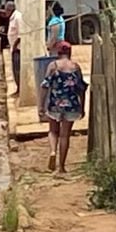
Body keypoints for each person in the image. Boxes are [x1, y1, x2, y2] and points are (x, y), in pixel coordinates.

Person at [38, 41, 87, 174]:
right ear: (70, 52)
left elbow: (44, 86)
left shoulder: (53, 66)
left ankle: (53, 151)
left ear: (58, 53)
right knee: (65, 136)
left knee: (53, 131)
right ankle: (62, 167)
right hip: (71, 105)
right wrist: (82, 107)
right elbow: (81, 89)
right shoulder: (76, 67)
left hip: (55, 104)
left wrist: (41, 106)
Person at [6, 3, 24, 96]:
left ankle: (20, 90)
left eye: (6, 10)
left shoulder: (17, 17)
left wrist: (14, 46)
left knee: (17, 70)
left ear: (10, 9)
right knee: (14, 69)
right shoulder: (12, 17)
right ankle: (18, 89)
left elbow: (21, 34)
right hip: (14, 47)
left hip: (17, 48)